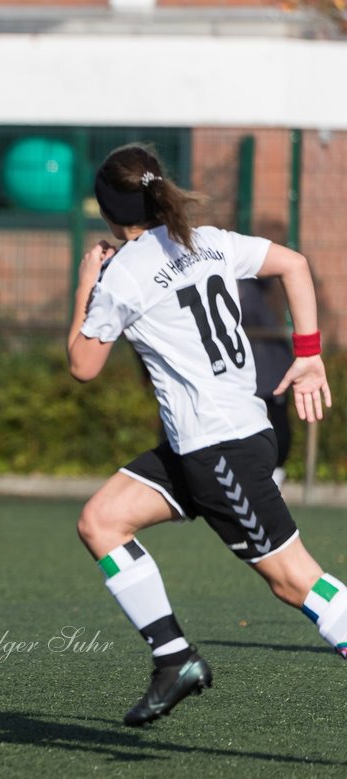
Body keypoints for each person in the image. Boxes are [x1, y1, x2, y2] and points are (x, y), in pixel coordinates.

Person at [68, 142, 339, 726]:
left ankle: (176, 659)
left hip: (219, 451)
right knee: (102, 520)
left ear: (109, 211)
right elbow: (294, 263)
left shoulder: (123, 276)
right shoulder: (204, 239)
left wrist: (86, 283)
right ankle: (174, 659)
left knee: (297, 584)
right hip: (222, 440)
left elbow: (82, 365)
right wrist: (309, 356)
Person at [238, 276, 295, 487]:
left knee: (279, 425)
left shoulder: (260, 285)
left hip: (272, 366)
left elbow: (292, 266)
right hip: (241, 372)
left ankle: (276, 473)